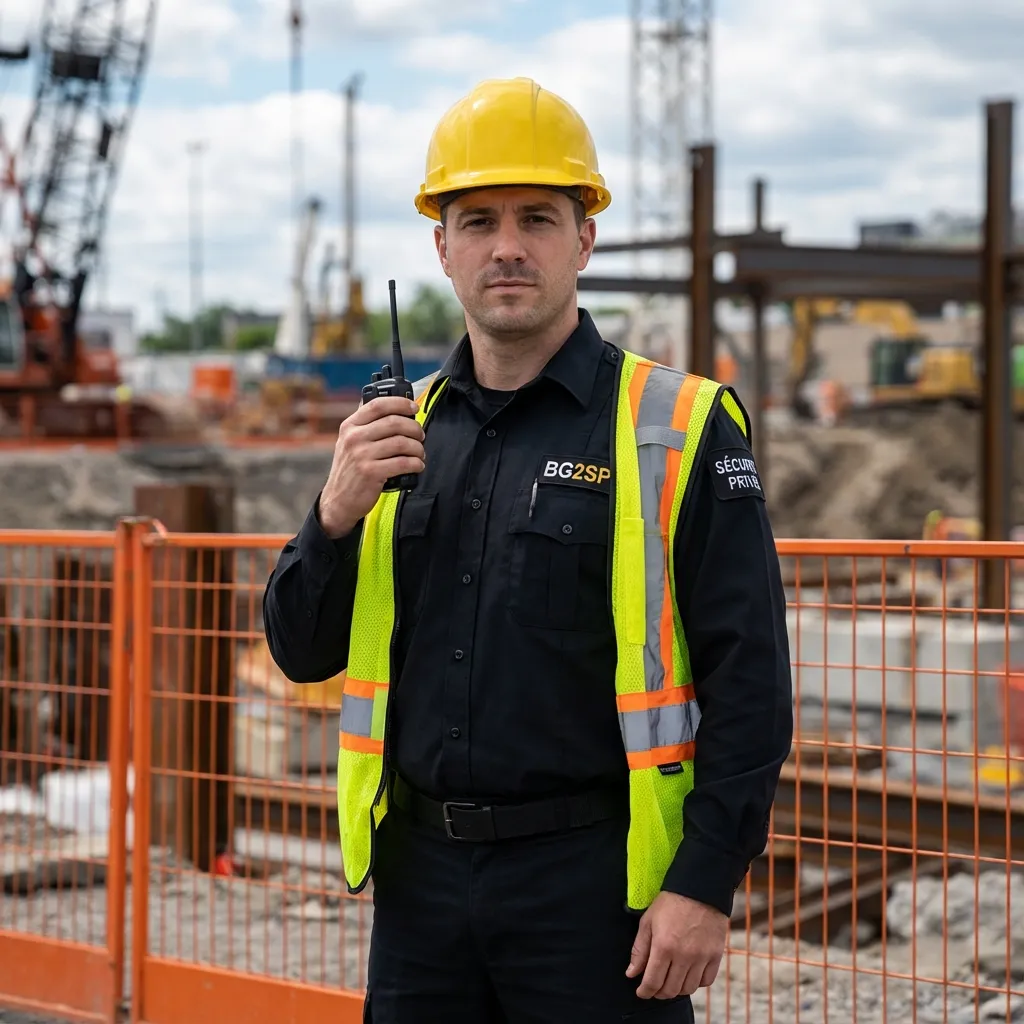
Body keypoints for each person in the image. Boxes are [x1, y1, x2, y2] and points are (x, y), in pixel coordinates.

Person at [263, 76, 793, 1024]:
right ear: (442, 247)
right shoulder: (397, 432)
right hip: (421, 895)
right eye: (477, 221)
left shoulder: (677, 425)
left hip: (596, 897)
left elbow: (751, 685)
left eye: (537, 218)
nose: (506, 247)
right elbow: (303, 650)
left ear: (583, 238)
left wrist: (704, 883)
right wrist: (332, 515)